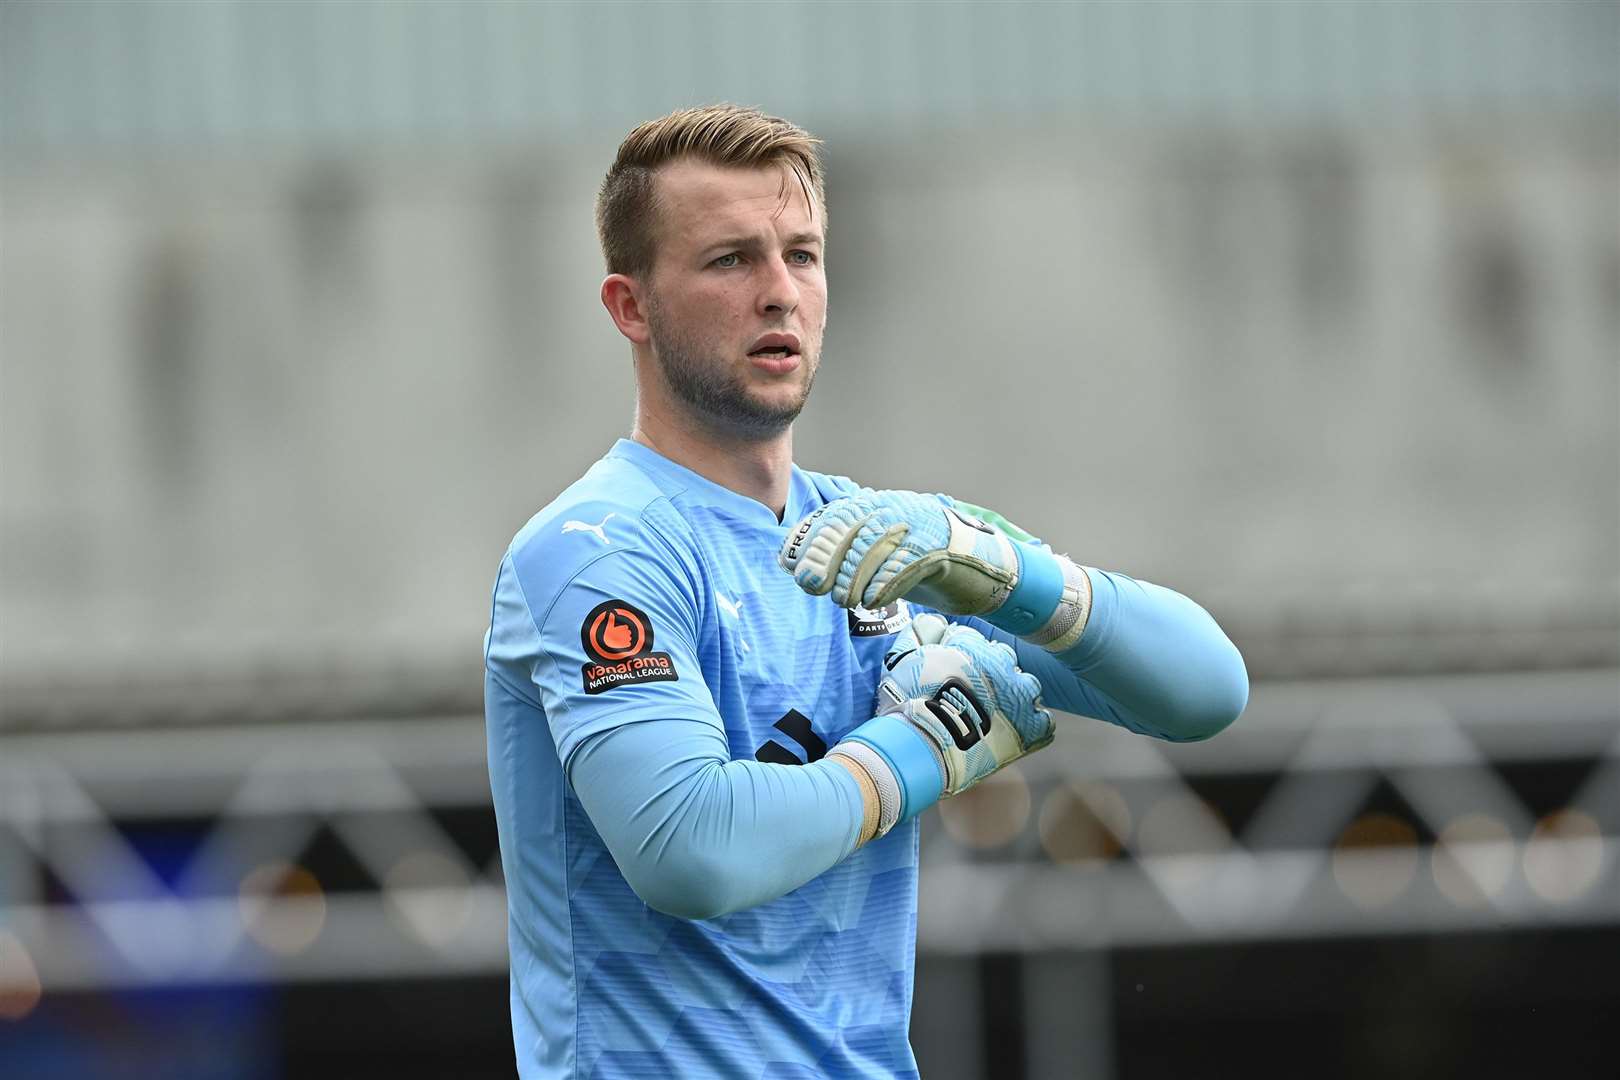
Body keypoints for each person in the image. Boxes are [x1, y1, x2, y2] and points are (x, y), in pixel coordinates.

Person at [483, 104, 1248, 1080]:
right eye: (729, 260)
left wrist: (1013, 575)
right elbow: (691, 852)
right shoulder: (595, 549)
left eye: (802, 255)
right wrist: (928, 744)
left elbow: (1206, 691)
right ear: (630, 307)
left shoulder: (882, 543)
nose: (779, 293)